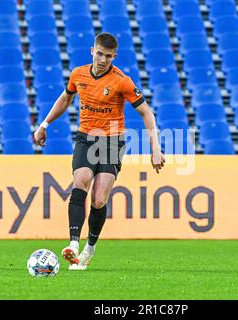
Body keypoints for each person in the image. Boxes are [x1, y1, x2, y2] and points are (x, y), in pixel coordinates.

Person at [34, 32, 165, 269]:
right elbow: (65, 99)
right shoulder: (78, 74)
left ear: (114, 56)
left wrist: (155, 148)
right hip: (86, 138)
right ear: (92, 51)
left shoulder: (122, 81)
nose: (103, 59)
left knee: (99, 199)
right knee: (81, 180)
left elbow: (146, 112)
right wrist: (44, 125)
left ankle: (89, 248)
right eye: (100, 54)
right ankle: (73, 244)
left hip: (112, 142)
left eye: (108, 56)